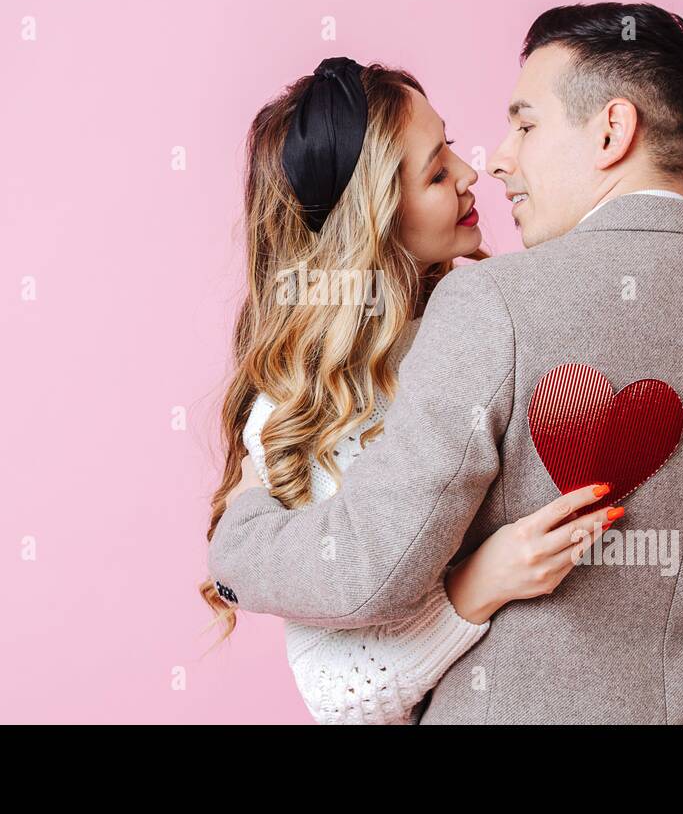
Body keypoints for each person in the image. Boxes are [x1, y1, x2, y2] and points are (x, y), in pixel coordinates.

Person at [208, 3, 683, 724]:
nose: (496, 158)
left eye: (526, 123)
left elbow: (367, 570)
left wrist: (237, 538)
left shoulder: (490, 306)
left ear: (612, 130)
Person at [199, 57, 622, 724]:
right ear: (376, 219)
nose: (469, 172)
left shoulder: (489, 320)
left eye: (449, 145)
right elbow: (339, 693)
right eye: (434, 171)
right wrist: (478, 588)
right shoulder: (308, 409)